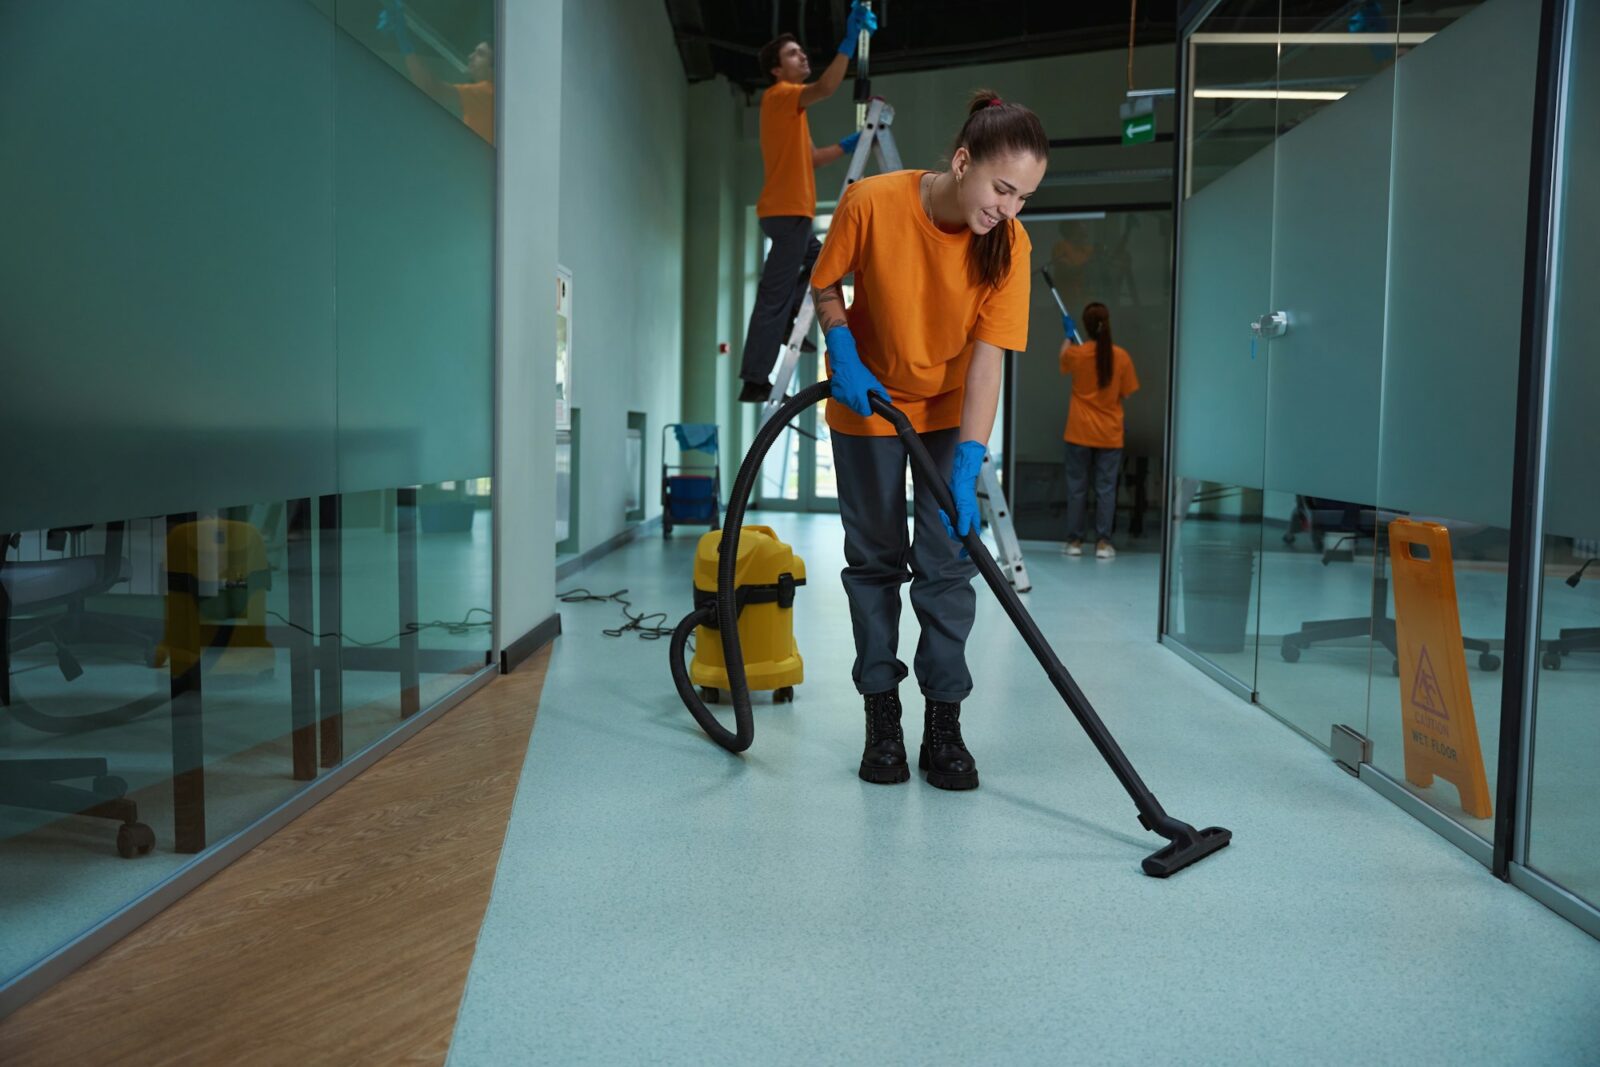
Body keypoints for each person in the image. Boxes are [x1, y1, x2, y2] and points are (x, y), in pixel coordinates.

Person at [809, 91, 1047, 790]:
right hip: (869, 405)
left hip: (945, 417)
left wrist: (970, 456)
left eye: (1024, 196)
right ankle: (882, 716)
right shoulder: (872, 203)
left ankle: (944, 720)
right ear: (963, 161)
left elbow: (986, 360)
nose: (1009, 208)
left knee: (946, 567)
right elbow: (827, 287)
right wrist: (841, 344)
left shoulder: (1010, 247)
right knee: (875, 563)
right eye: (1002, 188)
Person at [737, 3, 879, 404]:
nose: (802, 57)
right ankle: (754, 378)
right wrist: (848, 42)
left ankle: (783, 330)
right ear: (777, 70)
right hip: (787, 214)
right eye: (792, 54)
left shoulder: (788, 111)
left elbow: (812, 158)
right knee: (775, 296)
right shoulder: (781, 96)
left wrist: (849, 146)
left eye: (801, 51)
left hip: (787, 215)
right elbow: (827, 88)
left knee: (822, 265)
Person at [1058, 303, 1139, 559]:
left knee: (1077, 488)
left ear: (1085, 325)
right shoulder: (1122, 357)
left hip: (1079, 431)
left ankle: (1075, 542)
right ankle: (1103, 542)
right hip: (1109, 433)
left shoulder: (1078, 354)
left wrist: (1068, 337)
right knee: (1106, 489)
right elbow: (1126, 392)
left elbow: (1063, 359)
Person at [378, 1, 495, 144]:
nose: (471, 56)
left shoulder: (487, 92)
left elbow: (430, 87)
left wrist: (404, 42)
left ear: (494, 70)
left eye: (480, 54)